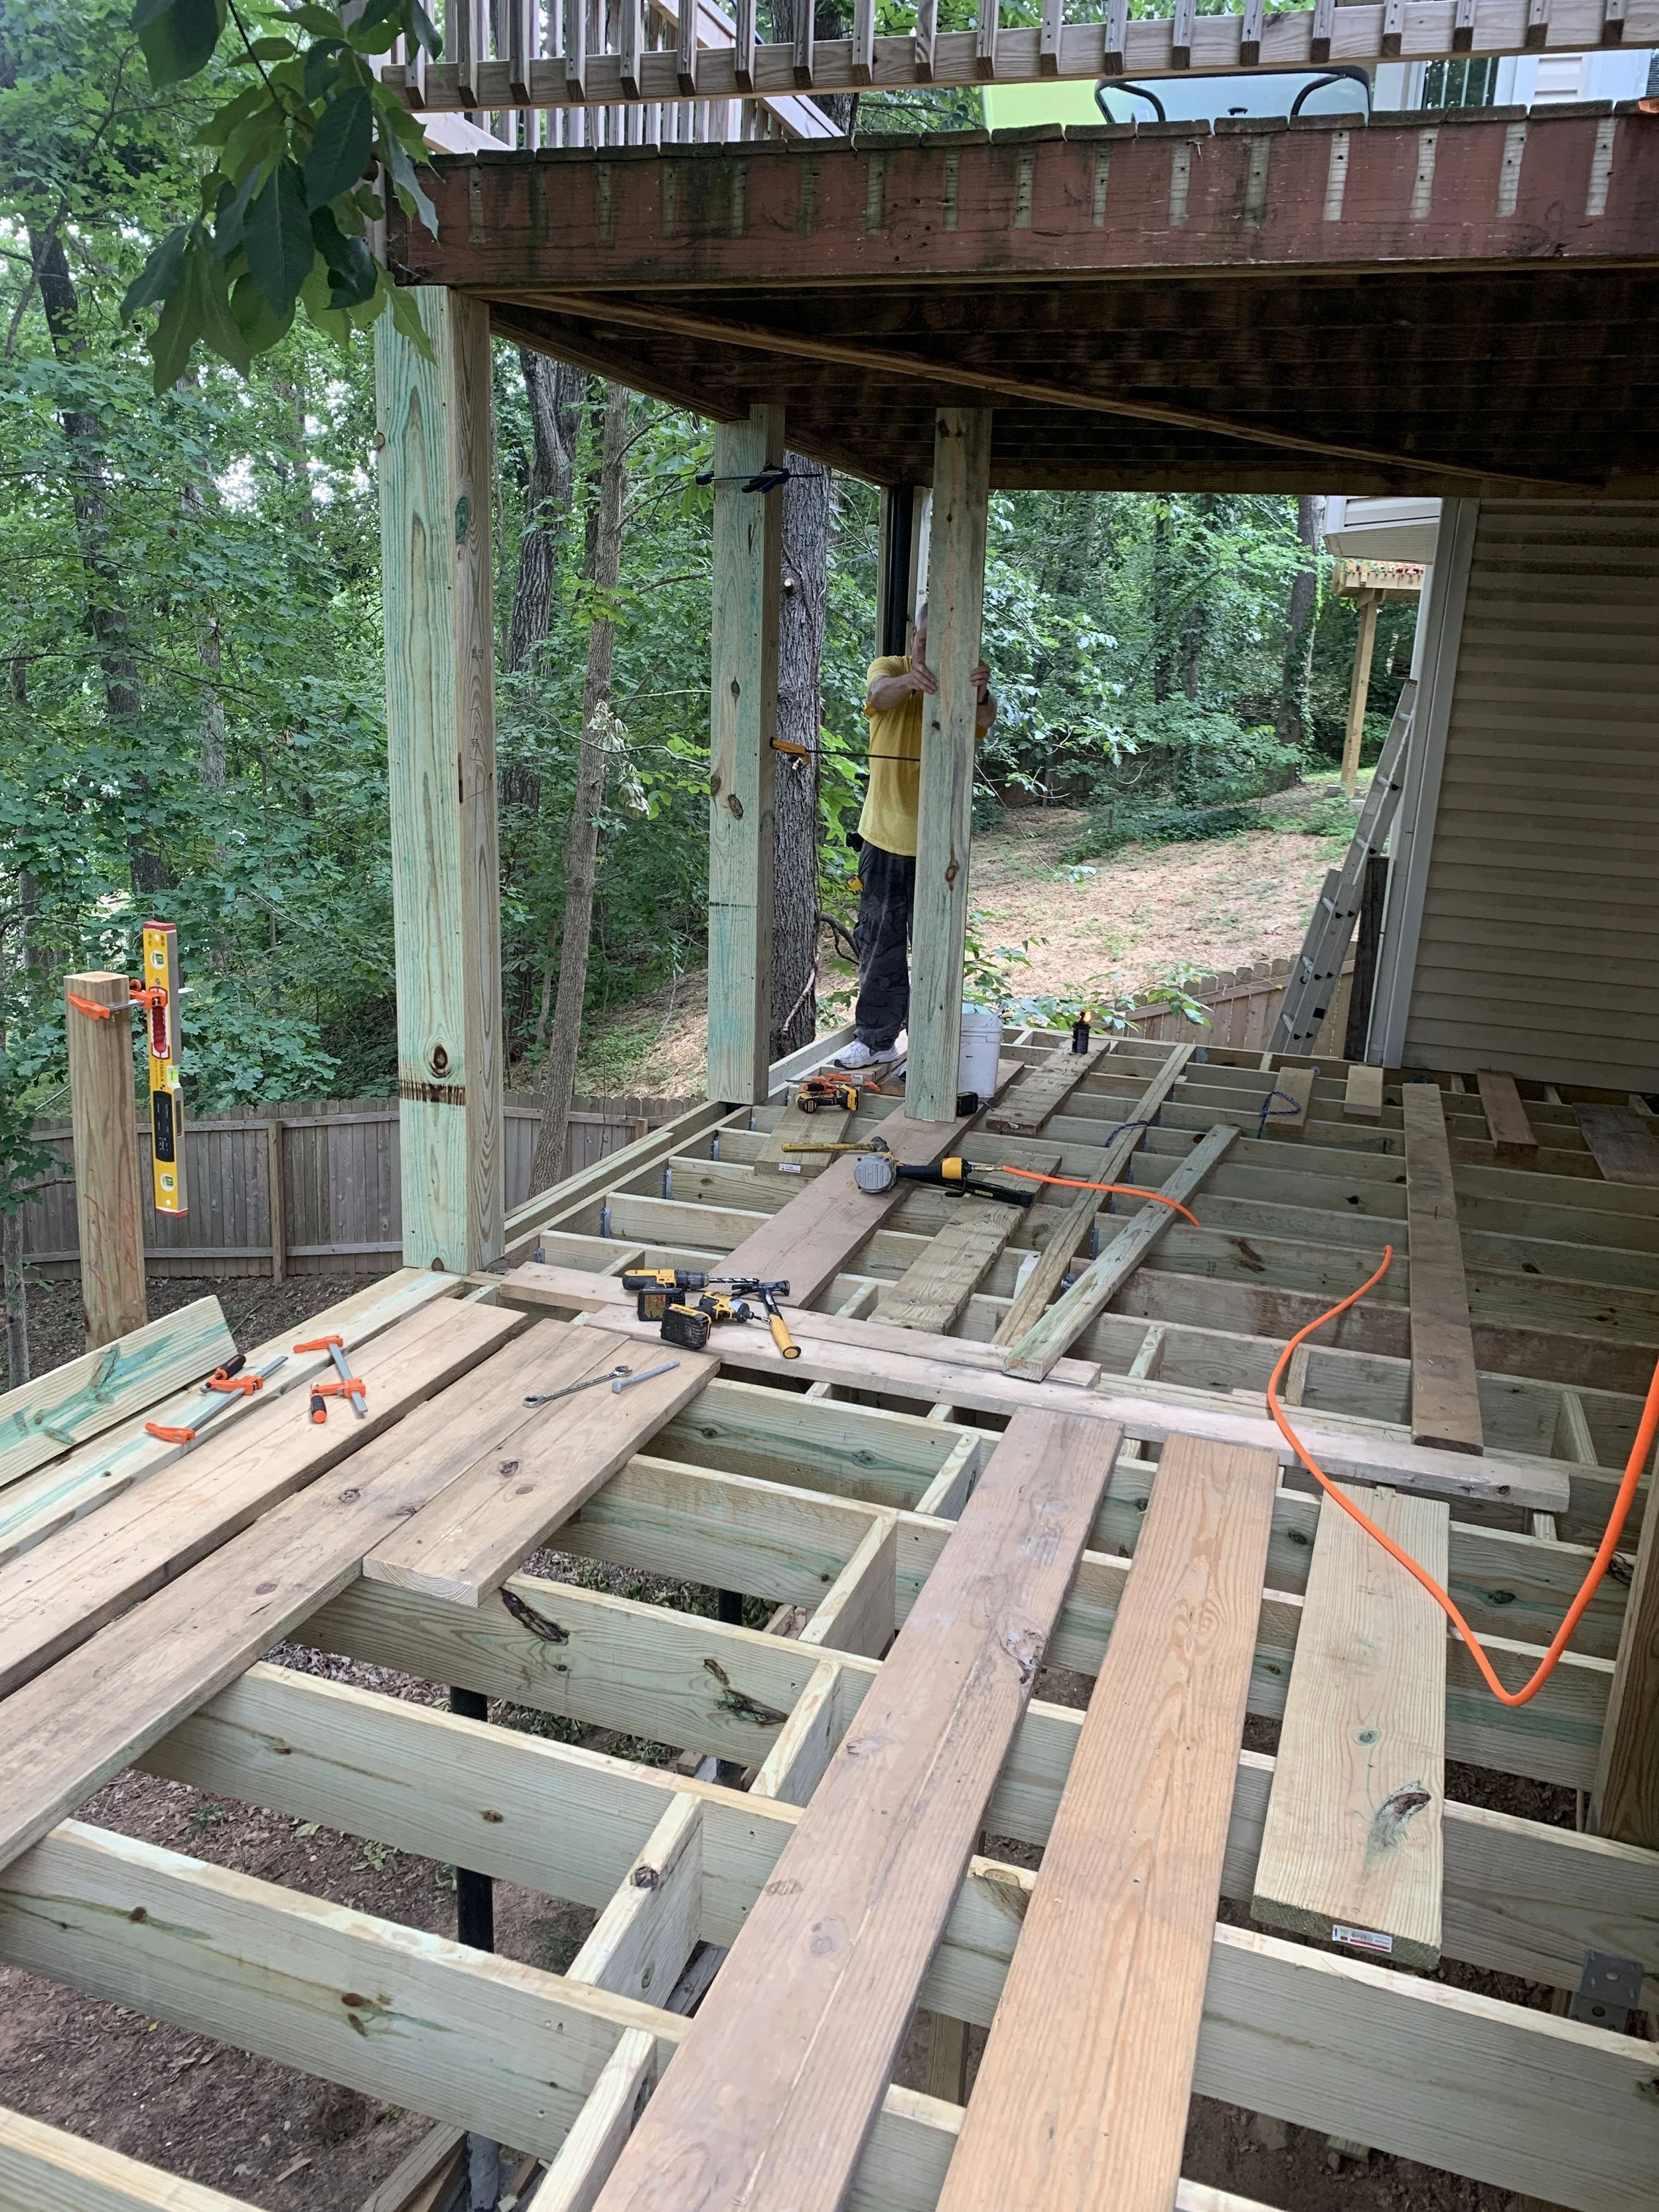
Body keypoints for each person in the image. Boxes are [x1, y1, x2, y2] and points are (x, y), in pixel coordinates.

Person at [836, 602, 996, 1071]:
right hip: (884, 838)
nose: (932, 650)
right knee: (878, 944)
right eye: (927, 640)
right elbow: (879, 693)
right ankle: (876, 1040)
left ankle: (929, 1046)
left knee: (935, 946)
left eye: (944, 644)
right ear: (914, 635)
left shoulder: (964, 682)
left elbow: (986, 717)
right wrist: (912, 679)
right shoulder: (890, 668)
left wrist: (981, 689)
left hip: (938, 846)